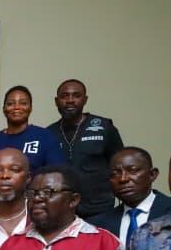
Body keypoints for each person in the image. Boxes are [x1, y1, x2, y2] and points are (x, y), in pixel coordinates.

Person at [48, 79, 124, 218]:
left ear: (85, 100)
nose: (70, 100)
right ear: (56, 101)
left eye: (76, 95)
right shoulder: (49, 133)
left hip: (100, 209)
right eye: (64, 96)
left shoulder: (104, 127)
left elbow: (120, 166)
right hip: (62, 211)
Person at [0, 85, 66, 172]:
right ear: (4, 109)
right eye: (10, 104)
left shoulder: (45, 137)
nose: (17, 107)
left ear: (30, 108)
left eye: (23, 103)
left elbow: (58, 173)